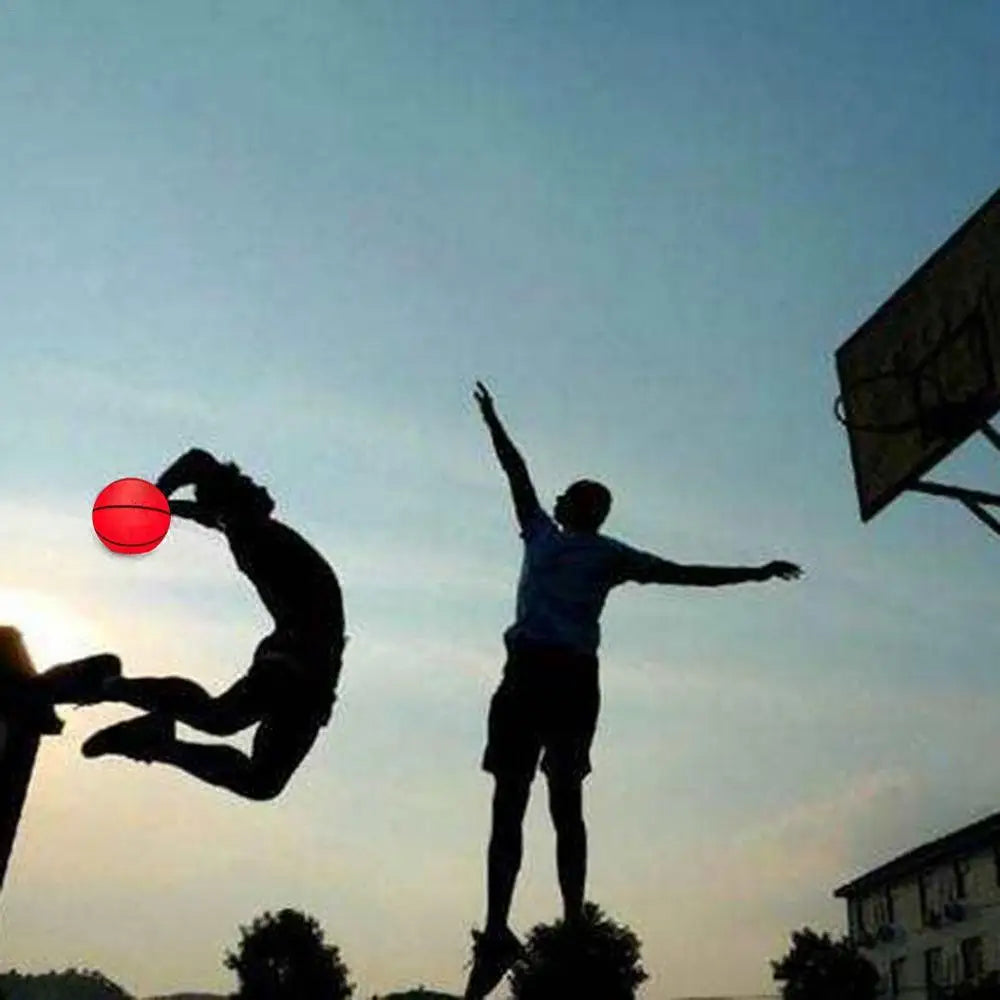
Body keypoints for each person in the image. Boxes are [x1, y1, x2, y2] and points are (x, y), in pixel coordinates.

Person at [463, 382, 802, 998]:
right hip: (536, 675)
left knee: (552, 801)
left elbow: (683, 573)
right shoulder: (548, 535)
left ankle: (561, 924)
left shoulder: (588, 548)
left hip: (559, 678)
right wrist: (493, 421)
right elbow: (516, 470)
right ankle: (503, 930)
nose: (556, 496)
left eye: (567, 493)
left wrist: (752, 572)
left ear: (582, 506)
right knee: (522, 802)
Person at [77, 448, 345, 801]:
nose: (260, 487)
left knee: (260, 781)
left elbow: (209, 510)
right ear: (234, 499)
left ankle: (154, 736)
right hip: (297, 657)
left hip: (317, 675)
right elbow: (198, 461)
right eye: (248, 482)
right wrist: (158, 496)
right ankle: (116, 690)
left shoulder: (245, 527)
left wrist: (169, 506)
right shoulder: (249, 528)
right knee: (220, 719)